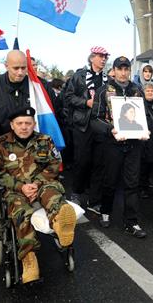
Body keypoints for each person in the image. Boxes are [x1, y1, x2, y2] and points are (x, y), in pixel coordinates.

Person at [0, 107, 76, 284]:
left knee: (53, 195)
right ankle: (29, 259)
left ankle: (61, 224)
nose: (24, 127)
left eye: (28, 123)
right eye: (19, 123)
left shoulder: (45, 140)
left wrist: (36, 184)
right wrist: (21, 187)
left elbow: (54, 164)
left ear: (34, 124)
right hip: (15, 190)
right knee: (21, 210)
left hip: (43, 183)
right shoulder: (0, 144)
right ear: (12, 125)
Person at [92, 56, 147, 237]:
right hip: (112, 143)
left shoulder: (137, 90)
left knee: (132, 183)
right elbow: (95, 119)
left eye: (126, 69)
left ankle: (132, 222)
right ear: (114, 70)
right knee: (110, 180)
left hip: (133, 144)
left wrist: (146, 131)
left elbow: (144, 115)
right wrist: (110, 130)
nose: (123, 72)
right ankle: (106, 211)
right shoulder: (103, 91)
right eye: (120, 69)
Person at [62, 46, 110, 205]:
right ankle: (76, 192)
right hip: (83, 124)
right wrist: (85, 102)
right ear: (91, 58)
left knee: (99, 162)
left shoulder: (108, 79)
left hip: (102, 125)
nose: (103, 59)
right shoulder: (79, 76)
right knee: (82, 161)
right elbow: (68, 98)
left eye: (105, 57)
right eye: (100, 56)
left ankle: (94, 198)